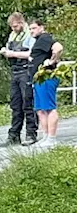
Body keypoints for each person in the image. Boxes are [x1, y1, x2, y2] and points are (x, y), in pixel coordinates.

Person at [0, 12, 37, 146]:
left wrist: (13, 53)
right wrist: (5, 52)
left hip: (26, 70)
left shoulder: (29, 34)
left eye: (15, 26)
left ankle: (31, 134)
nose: (13, 29)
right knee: (15, 104)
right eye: (12, 27)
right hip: (15, 71)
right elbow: (9, 49)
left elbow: (32, 53)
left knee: (28, 103)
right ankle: (14, 135)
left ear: (21, 23)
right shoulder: (12, 35)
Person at [29, 18, 64, 146]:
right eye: (30, 29)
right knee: (40, 109)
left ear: (41, 27)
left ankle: (52, 138)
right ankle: (45, 136)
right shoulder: (38, 41)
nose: (31, 31)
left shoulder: (44, 38)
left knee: (49, 108)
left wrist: (52, 61)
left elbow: (58, 47)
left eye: (34, 28)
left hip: (47, 76)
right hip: (38, 77)